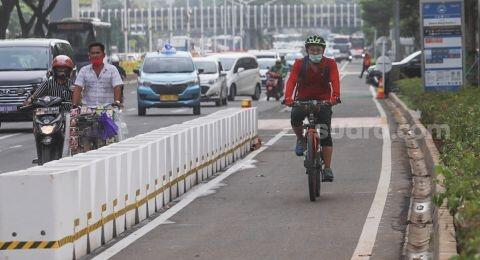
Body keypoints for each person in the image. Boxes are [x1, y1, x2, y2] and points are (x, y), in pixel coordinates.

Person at [284, 34, 340, 182]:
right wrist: (288, 98)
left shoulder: (330, 64)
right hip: (302, 100)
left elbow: (335, 81)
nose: (315, 52)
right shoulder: (299, 64)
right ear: (307, 50)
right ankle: (301, 139)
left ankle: (327, 168)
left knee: (325, 134)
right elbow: (291, 82)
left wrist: (335, 98)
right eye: (312, 50)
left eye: (318, 49)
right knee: (295, 118)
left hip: (324, 102)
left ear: (323, 50)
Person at [23, 55, 75, 162]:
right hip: (48, 115)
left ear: (69, 71)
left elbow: (78, 99)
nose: (61, 72)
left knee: (72, 129)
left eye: (64, 69)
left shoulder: (72, 85)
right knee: (36, 123)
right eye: (59, 69)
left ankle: (70, 152)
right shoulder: (48, 83)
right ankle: (40, 152)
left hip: (66, 114)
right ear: (54, 70)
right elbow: (35, 96)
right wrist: (28, 102)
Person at [73, 42, 123, 108]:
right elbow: (78, 88)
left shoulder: (112, 69)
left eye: (97, 53)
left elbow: (117, 87)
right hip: (87, 111)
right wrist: (74, 106)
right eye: (92, 53)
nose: (95, 55)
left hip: (107, 110)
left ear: (103, 55)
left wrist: (117, 102)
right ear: (89, 55)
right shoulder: (83, 70)